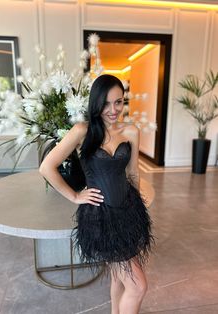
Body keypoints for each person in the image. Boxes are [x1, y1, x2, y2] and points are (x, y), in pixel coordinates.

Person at [39, 74, 153, 314]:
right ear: (96, 103)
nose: (113, 110)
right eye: (106, 103)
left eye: (118, 102)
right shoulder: (82, 131)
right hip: (100, 219)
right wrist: (74, 196)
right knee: (138, 286)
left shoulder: (131, 131)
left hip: (128, 213)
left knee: (118, 277)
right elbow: (46, 167)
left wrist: (139, 208)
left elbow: (132, 174)